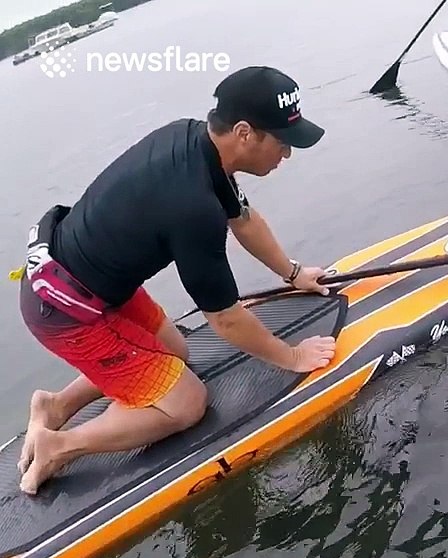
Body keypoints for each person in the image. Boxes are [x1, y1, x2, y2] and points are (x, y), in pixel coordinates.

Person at [16, 65, 337, 495]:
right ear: (245, 133)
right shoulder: (192, 207)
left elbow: (243, 219)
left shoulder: (194, 142)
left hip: (92, 280)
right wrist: (292, 357)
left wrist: (294, 274)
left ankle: (56, 405)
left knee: (176, 351)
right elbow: (226, 320)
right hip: (67, 312)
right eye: (282, 142)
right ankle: (61, 446)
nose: (288, 154)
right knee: (187, 402)